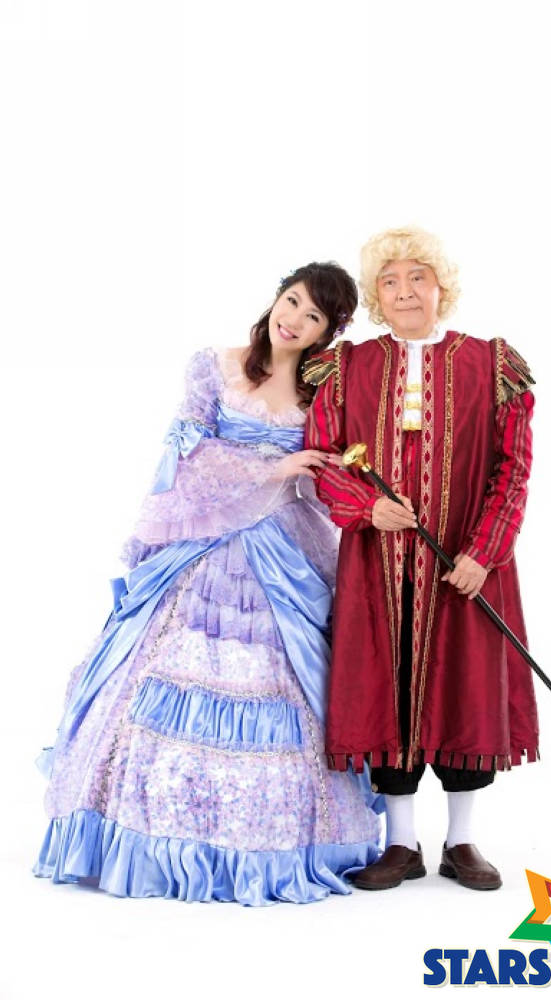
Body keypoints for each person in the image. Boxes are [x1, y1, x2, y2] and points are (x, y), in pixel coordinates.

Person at [34, 262, 381, 906]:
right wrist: (276, 465)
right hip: (205, 544)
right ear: (276, 298)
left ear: (327, 333)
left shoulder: (322, 395)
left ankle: (278, 843)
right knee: (150, 668)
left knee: (291, 680)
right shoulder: (215, 367)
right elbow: (183, 453)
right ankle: (139, 836)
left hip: (279, 553)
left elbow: (326, 475)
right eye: (292, 302)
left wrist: (321, 479)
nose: (294, 320)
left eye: (313, 316)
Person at [304, 227, 538, 891]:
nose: (404, 291)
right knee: (385, 685)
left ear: (441, 286)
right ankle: (400, 843)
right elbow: (323, 459)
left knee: (464, 687)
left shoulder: (491, 364)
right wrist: (366, 507)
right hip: (376, 564)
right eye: (389, 281)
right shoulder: (346, 367)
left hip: (462, 563)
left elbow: (513, 469)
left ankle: (461, 841)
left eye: (417, 277)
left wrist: (484, 553)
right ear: (376, 295)